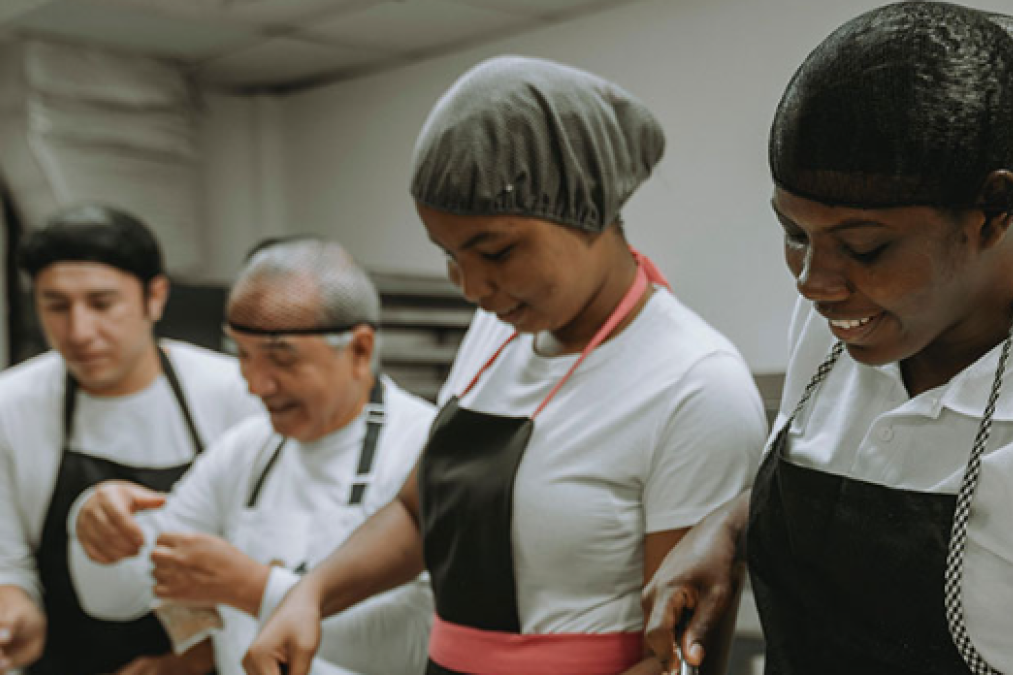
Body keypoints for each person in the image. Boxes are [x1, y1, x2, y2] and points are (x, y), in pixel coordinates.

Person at [641, 3, 1013, 674]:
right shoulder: (849, 318)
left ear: (992, 209)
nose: (814, 283)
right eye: (794, 234)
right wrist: (726, 530)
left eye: (865, 247)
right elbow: (835, 461)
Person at [241, 56, 768, 675]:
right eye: (449, 255)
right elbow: (418, 513)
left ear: (588, 209)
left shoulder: (695, 385)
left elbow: (684, 660)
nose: (470, 286)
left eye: (496, 250)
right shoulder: (498, 330)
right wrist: (311, 594)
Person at [67, 237, 437, 675]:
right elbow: (116, 599)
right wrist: (96, 531)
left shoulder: (424, 449)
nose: (257, 385)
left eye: (282, 359)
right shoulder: (245, 451)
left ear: (359, 350)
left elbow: (420, 646)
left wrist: (255, 589)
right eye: (244, 356)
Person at [0, 205, 260, 675]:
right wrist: (7, 613)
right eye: (55, 306)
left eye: (101, 304)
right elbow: (1, 559)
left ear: (154, 297)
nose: (79, 331)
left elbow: (272, 554)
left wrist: (194, 660)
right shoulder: (3, 408)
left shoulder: (234, 395)